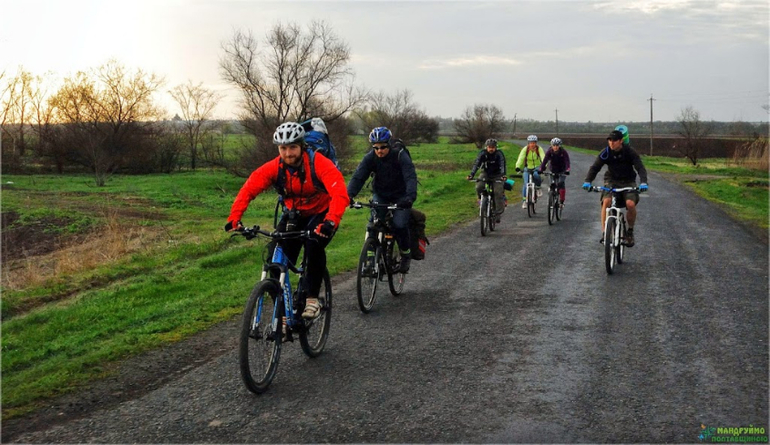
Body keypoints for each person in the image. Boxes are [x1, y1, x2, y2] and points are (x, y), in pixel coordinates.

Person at [225, 121, 349, 319]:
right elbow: (249, 189)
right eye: (283, 148)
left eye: (292, 147)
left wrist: (331, 221)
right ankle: (282, 315)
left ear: (301, 146)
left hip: (322, 213)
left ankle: (312, 299)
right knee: (275, 260)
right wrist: (235, 218)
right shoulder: (275, 167)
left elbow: (340, 193)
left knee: (313, 244)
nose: (288, 153)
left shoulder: (318, 163)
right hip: (294, 214)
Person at [347, 126, 418, 273]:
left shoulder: (400, 155)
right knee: (372, 225)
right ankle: (370, 259)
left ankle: (405, 254)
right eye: (376, 147)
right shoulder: (370, 158)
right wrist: (348, 195)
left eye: (383, 147)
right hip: (381, 194)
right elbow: (358, 177)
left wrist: (410, 197)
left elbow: (410, 177)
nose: (379, 151)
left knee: (399, 225)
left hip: (401, 196)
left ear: (389, 144)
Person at [582, 129, 649, 247]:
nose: (611, 143)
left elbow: (640, 167)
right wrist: (588, 181)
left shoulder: (629, 152)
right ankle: (604, 233)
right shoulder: (606, 152)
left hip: (628, 181)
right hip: (611, 181)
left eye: (614, 140)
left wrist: (643, 182)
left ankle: (630, 232)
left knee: (630, 204)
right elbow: (595, 167)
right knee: (606, 202)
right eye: (609, 140)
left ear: (621, 141)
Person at [467, 138, 507, 223]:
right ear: (486, 147)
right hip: (485, 173)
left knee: (497, 191)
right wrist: (471, 174)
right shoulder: (482, 153)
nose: (491, 149)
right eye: (489, 147)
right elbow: (476, 164)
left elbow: (502, 164)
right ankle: (481, 199)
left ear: (496, 147)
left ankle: (498, 212)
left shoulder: (499, 154)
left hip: (497, 175)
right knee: (479, 186)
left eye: (493, 147)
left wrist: (503, 175)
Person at [537, 137, 571, 206]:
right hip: (553, 169)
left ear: (559, 146)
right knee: (552, 184)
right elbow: (545, 161)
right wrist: (541, 169)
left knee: (561, 184)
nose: (555, 147)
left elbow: (567, 161)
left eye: (557, 145)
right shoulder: (549, 152)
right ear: (551, 145)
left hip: (562, 170)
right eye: (554, 145)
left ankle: (561, 201)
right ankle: (551, 196)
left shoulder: (563, 152)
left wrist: (567, 169)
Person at [515, 135, 546, 208]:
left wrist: (544, 167)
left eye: (534, 143)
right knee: (526, 184)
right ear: (528, 143)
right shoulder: (525, 149)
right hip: (528, 168)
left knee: (536, 175)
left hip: (537, 167)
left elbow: (543, 158)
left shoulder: (539, 149)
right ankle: (524, 201)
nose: (532, 144)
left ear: (536, 143)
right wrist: (518, 167)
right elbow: (521, 158)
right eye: (531, 143)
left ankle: (538, 187)